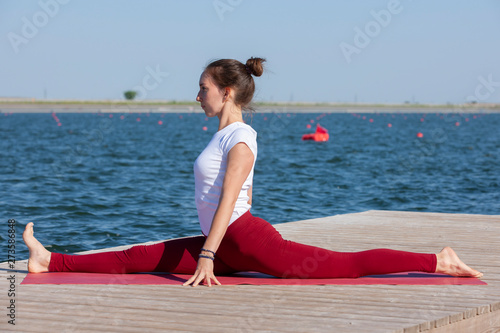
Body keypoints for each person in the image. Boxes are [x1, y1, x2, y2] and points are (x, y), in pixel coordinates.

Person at [23, 57, 483, 287]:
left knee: (343, 267)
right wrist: (208, 250)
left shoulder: (241, 138)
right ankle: (50, 261)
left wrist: (207, 256)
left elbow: (228, 200)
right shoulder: (219, 135)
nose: (196, 96)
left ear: (225, 92)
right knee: (137, 257)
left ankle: (436, 260)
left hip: (245, 238)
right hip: (224, 242)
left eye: (202, 89)